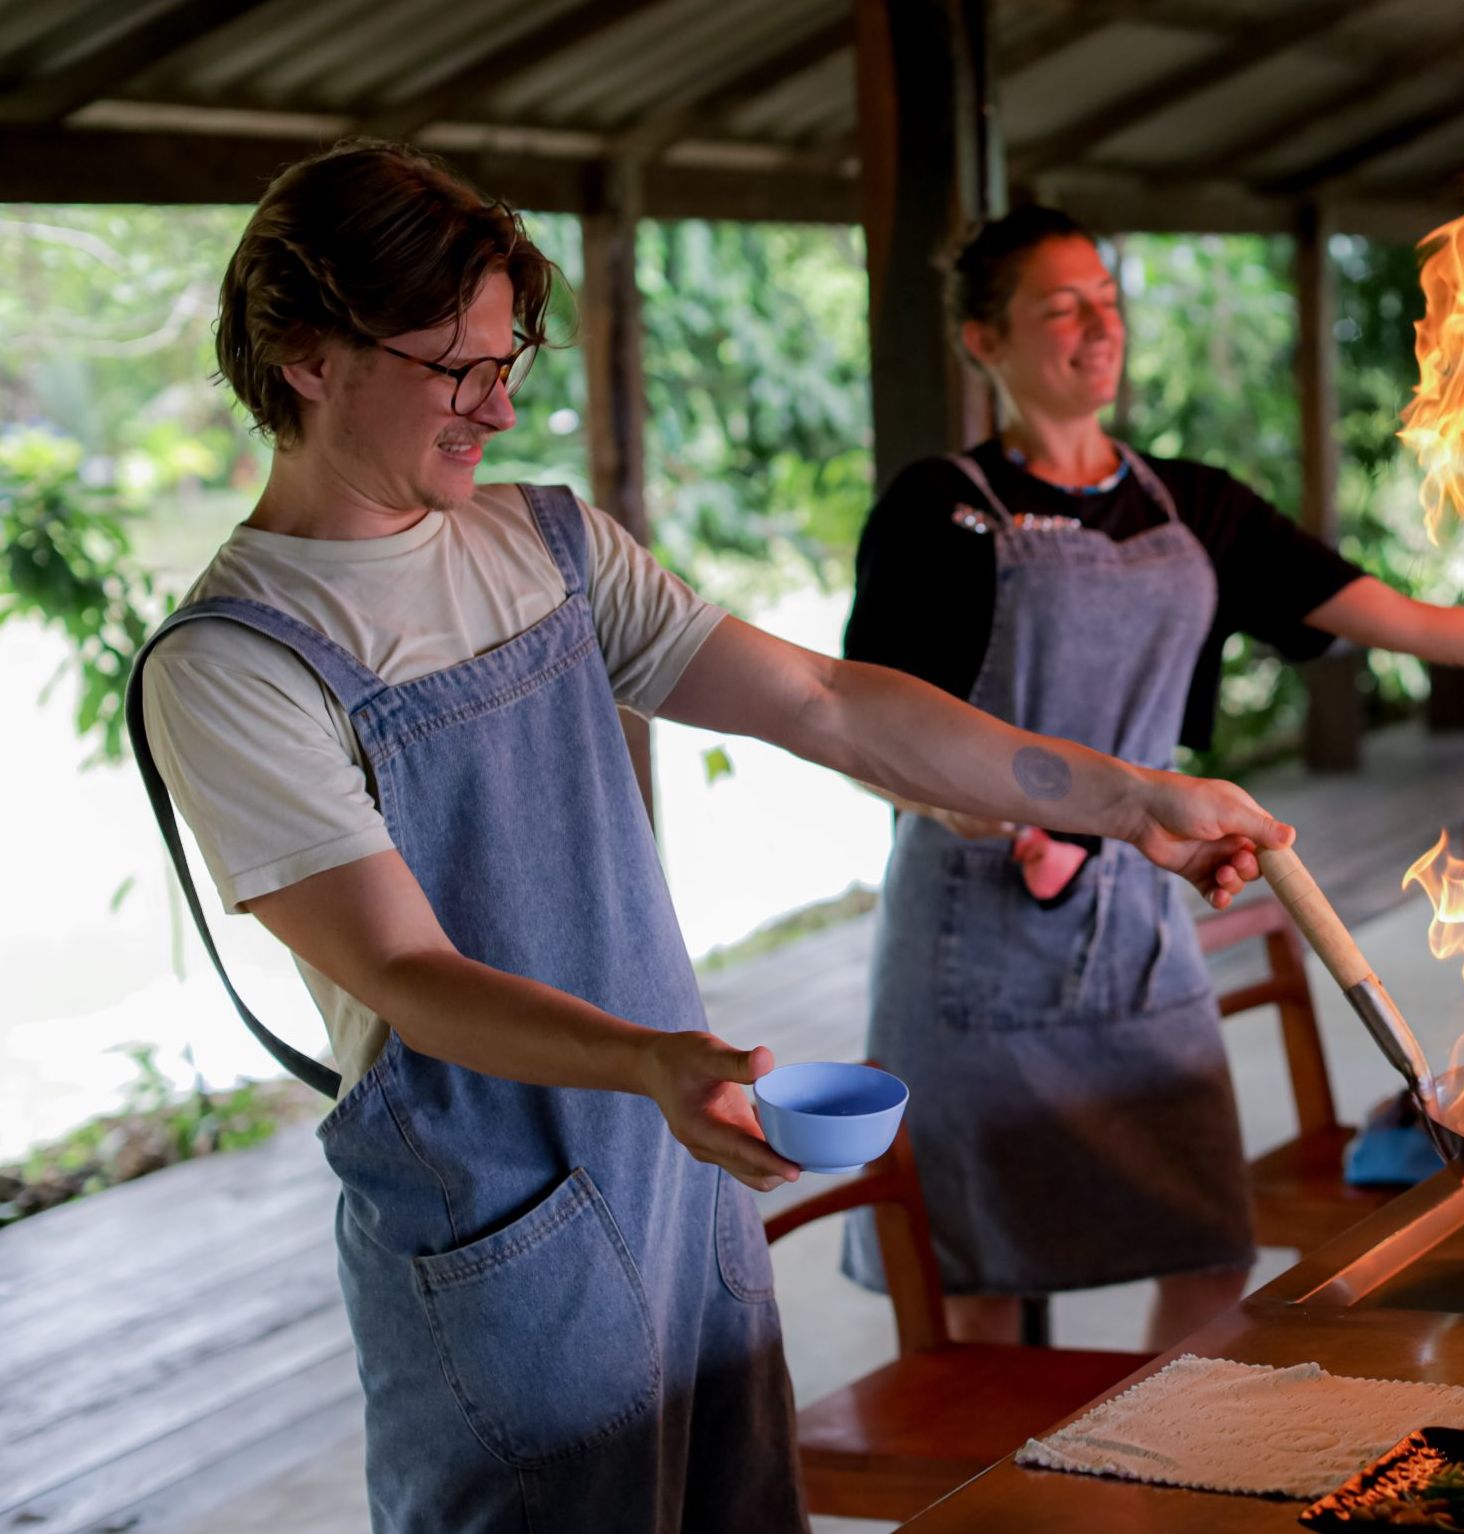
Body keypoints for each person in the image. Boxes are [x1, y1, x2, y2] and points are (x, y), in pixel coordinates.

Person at [129, 144, 1289, 1534]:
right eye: (457, 368)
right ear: (306, 355)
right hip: (501, 1223)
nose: (500, 404)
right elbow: (402, 969)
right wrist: (645, 1063)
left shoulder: (547, 543)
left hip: (682, 1166)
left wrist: (1126, 798)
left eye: (511, 360)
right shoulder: (237, 661)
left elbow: (824, 700)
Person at [843, 204, 1464, 1352]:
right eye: (1061, 309)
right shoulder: (936, 509)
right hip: (974, 941)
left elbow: (1392, 616)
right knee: (977, 1286)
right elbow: (874, 734)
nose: (1097, 327)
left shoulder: (1192, 506)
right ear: (984, 343)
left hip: (1141, 927)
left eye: (1107, 301)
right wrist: (998, 816)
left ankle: (1155, 1502)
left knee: (1207, 1248)